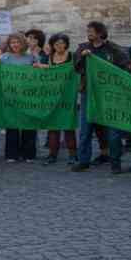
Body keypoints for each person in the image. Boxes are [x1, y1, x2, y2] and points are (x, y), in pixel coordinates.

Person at [71, 21, 130, 174]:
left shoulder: (114, 49)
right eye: (88, 31)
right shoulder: (83, 48)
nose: (89, 33)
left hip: (110, 94)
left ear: (100, 33)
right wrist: (83, 58)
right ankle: (83, 161)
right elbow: (76, 67)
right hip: (89, 93)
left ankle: (115, 162)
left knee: (113, 130)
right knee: (85, 128)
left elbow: (125, 66)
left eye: (91, 31)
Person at [0, 33, 39, 163]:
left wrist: (37, 66)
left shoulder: (31, 57)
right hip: (11, 97)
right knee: (12, 124)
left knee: (29, 125)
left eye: (17, 42)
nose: (15, 45)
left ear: (23, 43)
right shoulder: (5, 57)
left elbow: (39, 72)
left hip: (28, 96)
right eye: (12, 42)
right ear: (9, 44)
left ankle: (28, 154)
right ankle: (12, 154)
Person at [42, 34, 77, 165]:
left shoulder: (72, 56)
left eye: (62, 43)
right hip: (53, 95)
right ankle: (52, 154)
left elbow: (78, 71)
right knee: (53, 127)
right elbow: (47, 72)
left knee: (69, 126)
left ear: (66, 44)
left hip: (68, 96)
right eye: (56, 44)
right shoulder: (50, 57)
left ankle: (73, 155)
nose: (59, 46)